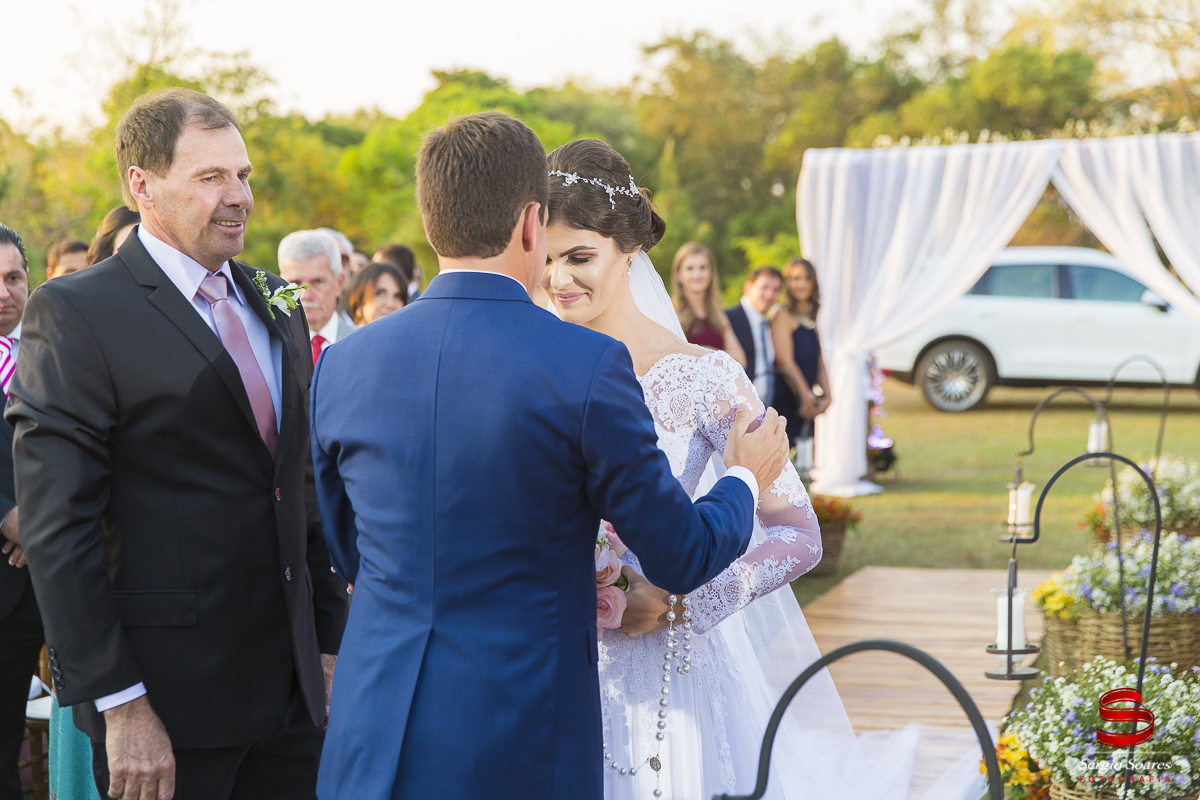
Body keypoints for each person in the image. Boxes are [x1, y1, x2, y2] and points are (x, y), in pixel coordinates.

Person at [311, 110, 790, 800]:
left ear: (431, 220)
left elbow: (349, 550)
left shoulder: (345, 363)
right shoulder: (586, 365)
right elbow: (681, 554)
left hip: (374, 727)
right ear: (533, 224)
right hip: (519, 732)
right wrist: (744, 475)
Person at [8, 88, 347, 800]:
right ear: (142, 185)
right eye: (211, 177)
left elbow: (300, 484)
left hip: (293, 702)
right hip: (165, 707)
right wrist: (121, 703)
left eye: (244, 175)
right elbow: (58, 524)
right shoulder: (75, 311)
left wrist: (327, 641)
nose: (239, 197)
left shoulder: (277, 299)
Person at [545, 139, 829, 800]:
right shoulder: (532, 371)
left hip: (672, 673)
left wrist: (680, 602)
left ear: (629, 249)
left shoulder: (705, 378)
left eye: (580, 257)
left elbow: (799, 534)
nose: (560, 280)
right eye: (549, 259)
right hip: (556, 671)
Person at [0, 224, 41, 800]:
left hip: (50, 573)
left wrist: (43, 524)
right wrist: (8, 514)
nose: (4, 292)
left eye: (13, 277)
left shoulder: (58, 351)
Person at [772, 256, 832, 444]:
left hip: (806, 401)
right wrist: (805, 396)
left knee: (806, 458)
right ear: (787, 283)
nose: (802, 284)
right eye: (796, 279)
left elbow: (819, 362)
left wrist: (829, 395)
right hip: (788, 400)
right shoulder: (782, 314)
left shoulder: (810, 318)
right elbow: (785, 362)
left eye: (806, 278)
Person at [279, 230, 356, 364]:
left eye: (317, 282)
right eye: (295, 283)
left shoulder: (361, 343)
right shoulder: (272, 347)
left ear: (339, 283)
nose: (306, 295)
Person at [670, 243, 746, 365]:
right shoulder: (672, 311)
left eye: (703, 267)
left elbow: (740, 359)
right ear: (678, 274)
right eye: (690, 268)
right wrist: (717, 354)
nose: (697, 274)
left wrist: (707, 351)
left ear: (711, 273)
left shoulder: (717, 313)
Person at [726, 266, 784, 408]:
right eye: (764, 287)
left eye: (776, 290)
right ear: (748, 287)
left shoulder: (768, 324)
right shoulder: (728, 318)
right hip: (737, 409)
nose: (770, 295)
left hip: (765, 410)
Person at [344, 261, 407, 325]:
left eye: (397, 296)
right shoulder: (339, 334)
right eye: (380, 293)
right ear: (360, 301)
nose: (390, 304)